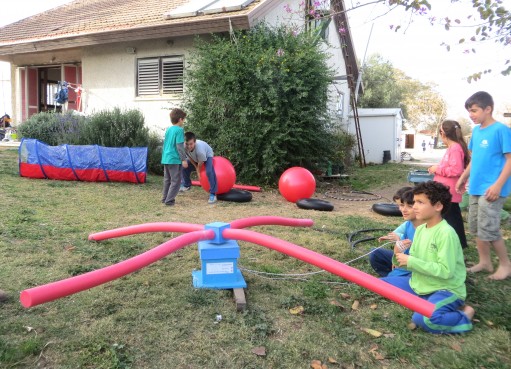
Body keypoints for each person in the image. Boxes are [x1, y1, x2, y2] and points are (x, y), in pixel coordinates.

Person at [382, 181, 474, 334]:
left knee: (424, 319)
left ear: (438, 206)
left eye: (420, 202)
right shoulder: (421, 229)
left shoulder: (446, 234)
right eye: (415, 202)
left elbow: (446, 271)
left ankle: (465, 315)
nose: (415, 206)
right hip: (419, 284)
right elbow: (413, 261)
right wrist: (398, 255)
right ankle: (426, 301)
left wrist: (411, 261)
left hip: (445, 289)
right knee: (380, 286)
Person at [456, 91, 511, 280]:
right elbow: (475, 159)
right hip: (476, 188)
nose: (471, 114)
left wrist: (498, 185)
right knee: (476, 226)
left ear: (488, 109)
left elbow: (510, 160)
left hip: (493, 189)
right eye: (469, 111)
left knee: (490, 228)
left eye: (474, 110)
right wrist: (463, 177)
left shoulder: (501, 130)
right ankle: (485, 262)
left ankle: (505, 265)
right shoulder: (477, 132)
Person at [428, 120, 469, 249]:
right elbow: (450, 166)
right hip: (445, 191)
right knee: (451, 218)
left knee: (452, 220)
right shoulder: (452, 148)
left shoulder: (455, 148)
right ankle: (457, 244)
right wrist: (436, 168)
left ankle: (458, 245)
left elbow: (456, 170)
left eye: (440, 132)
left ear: (443, 133)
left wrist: (437, 169)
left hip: (449, 192)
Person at [370, 187, 425, 277]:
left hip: (415, 268)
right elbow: (398, 251)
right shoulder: (409, 224)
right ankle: (393, 277)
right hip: (405, 263)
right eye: (402, 205)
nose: (403, 210)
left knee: (387, 283)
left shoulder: (430, 229)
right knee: (375, 253)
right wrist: (397, 248)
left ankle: (395, 279)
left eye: (409, 206)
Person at [180, 132, 218, 204]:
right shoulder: (184, 146)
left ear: (195, 142)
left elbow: (201, 162)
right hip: (195, 157)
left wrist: (198, 170)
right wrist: (196, 167)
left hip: (207, 155)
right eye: (187, 144)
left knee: (209, 171)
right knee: (184, 167)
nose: (189, 146)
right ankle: (187, 185)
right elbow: (190, 157)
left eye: (191, 144)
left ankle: (213, 194)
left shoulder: (200, 150)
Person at [161, 108, 188, 206]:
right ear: (180, 119)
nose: (183, 121)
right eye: (183, 119)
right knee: (176, 181)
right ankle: (169, 200)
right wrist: (183, 159)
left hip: (166, 158)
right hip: (174, 159)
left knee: (167, 180)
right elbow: (179, 146)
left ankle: (165, 198)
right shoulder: (179, 130)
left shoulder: (169, 129)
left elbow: (166, 144)